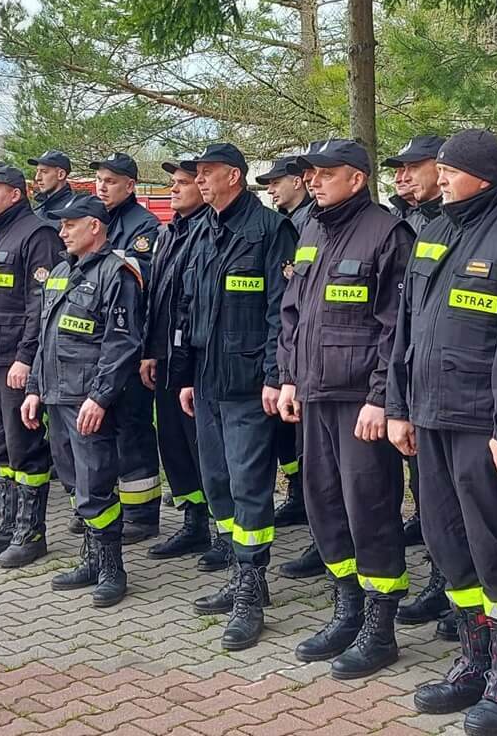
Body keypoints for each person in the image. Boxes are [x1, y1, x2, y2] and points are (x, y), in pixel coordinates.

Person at [388, 128, 497, 736]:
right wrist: (397, 405)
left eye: (445, 168)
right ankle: (475, 661)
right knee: (445, 541)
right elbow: (406, 330)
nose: (436, 176)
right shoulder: (434, 231)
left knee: (496, 546)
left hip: (482, 425)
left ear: (478, 176)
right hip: (430, 416)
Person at [277, 138, 415, 678]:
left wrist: (381, 396)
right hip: (312, 396)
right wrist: (287, 376)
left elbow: (394, 329)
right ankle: (347, 610)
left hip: (361, 402)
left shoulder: (387, 233)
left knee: (370, 509)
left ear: (356, 178)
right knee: (324, 503)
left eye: (325, 174)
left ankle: (380, 630)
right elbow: (292, 312)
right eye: (310, 173)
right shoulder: (310, 228)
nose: (314, 181)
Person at [181, 141, 299, 651]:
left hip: (249, 382)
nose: (199, 181)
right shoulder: (202, 232)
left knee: (251, 484)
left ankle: (252, 588)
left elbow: (281, 312)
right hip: (206, 381)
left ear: (233, 176)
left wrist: (276, 376)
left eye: (206, 173)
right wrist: (185, 376)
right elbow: (189, 309)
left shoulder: (270, 231)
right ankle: (237, 569)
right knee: (217, 482)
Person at [22, 194, 146, 604]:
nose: (62, 232)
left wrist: (100, 396)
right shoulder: (59, 272)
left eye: (70, 225)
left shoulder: (118, 273)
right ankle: (92, 558)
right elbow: (46, 336)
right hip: (57, 395)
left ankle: (113, 567)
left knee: (96, 484)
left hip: (88, 399)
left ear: (94, 226)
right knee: (74, 481)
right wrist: (35, 388)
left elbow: (122, 343)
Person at [0, 162, 66, 566]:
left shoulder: (37, 234)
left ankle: (30, 531)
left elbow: (40, 305)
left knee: (22, 447)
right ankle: (6, 523)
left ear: (15, 193)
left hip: (12, 363)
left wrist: (26, 358)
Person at [382, 133, 446, 628]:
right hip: (413, 381)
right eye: (397, 169)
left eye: (412, 167)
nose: (402, 176)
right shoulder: (408, 221)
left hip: (456, 393)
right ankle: (441, 578)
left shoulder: (451, 224)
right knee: (424, 489)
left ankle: (448, 583)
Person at [90, 152, 166, 542]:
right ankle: (113, 507)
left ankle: (143, 515)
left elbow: (144, 292)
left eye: (111, 181)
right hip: (102, 345)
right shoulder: (99, 220)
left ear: (131, 185)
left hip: (131, 343)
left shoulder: (144, 228)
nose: (102, 186)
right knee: (110, 431)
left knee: (133, 430)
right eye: (100, 180)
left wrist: (145, 351)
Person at [143, 159, 215, 561]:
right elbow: (158, 300)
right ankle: (193, 521)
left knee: (201, 445)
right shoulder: (168, 232)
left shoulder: (209, 231)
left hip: (194, 358)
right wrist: (150, 352)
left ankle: (220, 531)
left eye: (183, 183)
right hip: (166, 357)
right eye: (172, 184)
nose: (175, 189)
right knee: (172, 443)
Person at [256, 153, 313, 553]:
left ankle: (309, 509)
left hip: (308, 354)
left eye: (277, 181)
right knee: (287, 439)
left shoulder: (309, 224)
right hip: (285, 347)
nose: (271, 188)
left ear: (299, 181)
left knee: (306, 443)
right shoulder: (291, 224)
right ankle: (298, 496)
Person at [27, 149, 76, 224]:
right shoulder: (38, 209)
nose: (37, 178)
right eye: (37, 171)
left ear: (61, 175)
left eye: (44, 172)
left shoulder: (73, 210)